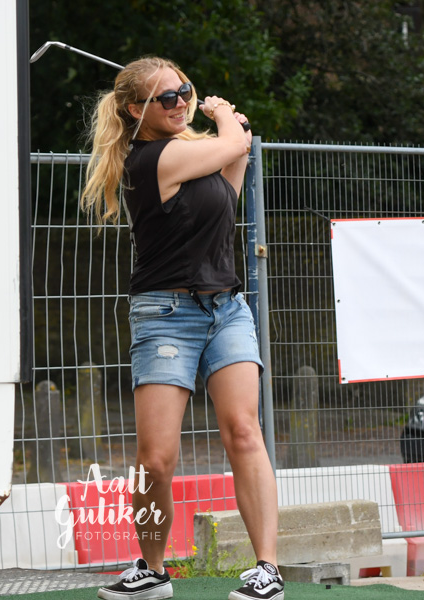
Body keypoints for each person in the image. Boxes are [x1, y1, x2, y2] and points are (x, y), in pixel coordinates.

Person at [80, 57, 283, 600]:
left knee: (245, 431)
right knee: (156, 458)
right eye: (166, 97)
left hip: (227, 310)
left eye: (185, 91)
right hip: (166, 314)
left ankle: (268, 570)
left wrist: (235, 142)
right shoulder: (153, 159)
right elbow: (230, 144)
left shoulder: (191, 154)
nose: (181, 102)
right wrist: (224, 118)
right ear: (135, 110)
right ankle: (152, 570)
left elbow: (228, 194)